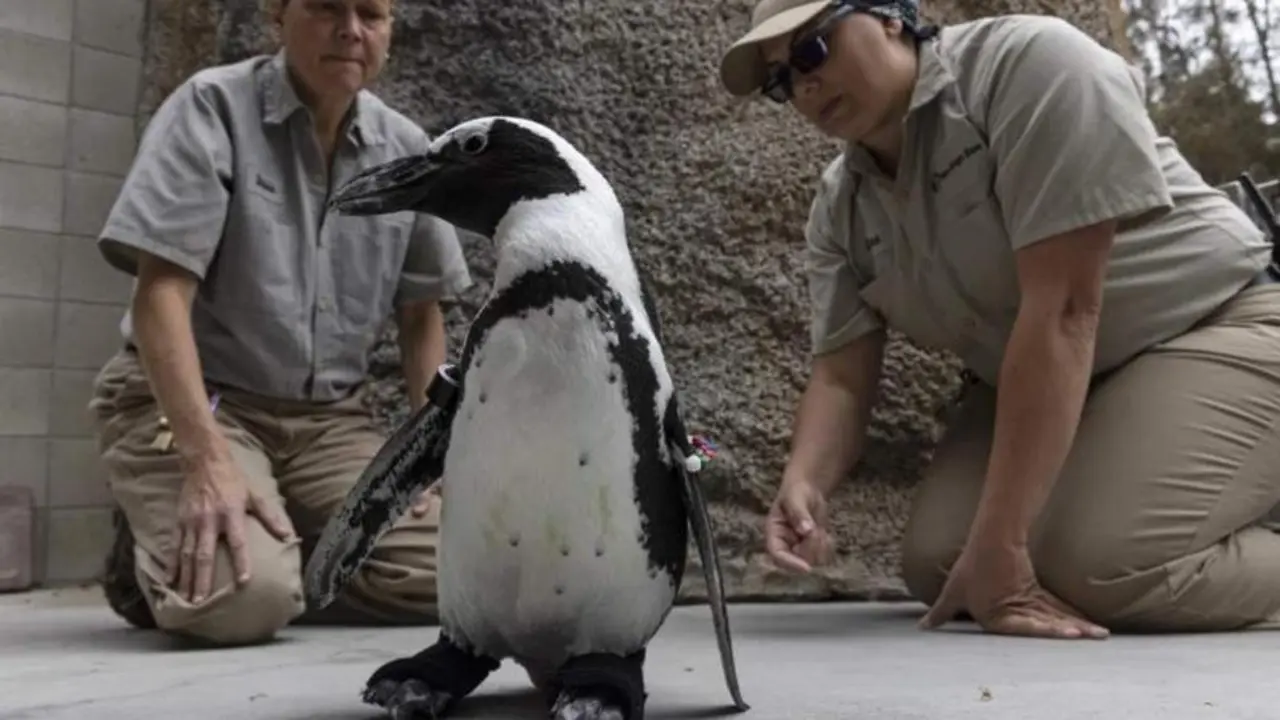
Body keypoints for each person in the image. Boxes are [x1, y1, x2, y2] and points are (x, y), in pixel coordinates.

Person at [719, 0, 1280, 639]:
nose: (803, 83)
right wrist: (804, 482)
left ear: (890, 17)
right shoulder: (839, 208)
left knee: (1105, 564)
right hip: (1076, 378)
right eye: (780, 80)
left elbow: (1066, 310)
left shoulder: (1031, 67)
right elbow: (843, 375)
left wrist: (1005, 546)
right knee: (943, 564)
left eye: (811, 49)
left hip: (1215, 325)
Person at [88, 0, 473, 647]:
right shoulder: (211, 108)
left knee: (464, 572)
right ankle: (162, 560)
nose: (351, 30)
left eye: (371, 14)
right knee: (242, 602)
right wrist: (205, 457)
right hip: (205, 406)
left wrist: (430, 455)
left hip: (327, 426)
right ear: (277, 16)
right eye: (326, 7)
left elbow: (420, 316)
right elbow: (160, 296)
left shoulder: (408, 150)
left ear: (389, 30)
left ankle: (280, 545)